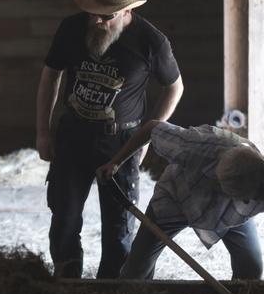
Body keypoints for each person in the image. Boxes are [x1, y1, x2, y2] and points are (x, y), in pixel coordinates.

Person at [36, 0, 184, 278]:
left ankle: (109, 293)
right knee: (64, 217)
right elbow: (51, 74)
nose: (97, 20)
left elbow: (175, 87)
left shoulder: (151, 41)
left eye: (107, 16)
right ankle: (67, 280)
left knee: (118, 227)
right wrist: (43, 132)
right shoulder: (72, 28)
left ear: (127, 9)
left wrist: (147, 135)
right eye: (93, 13)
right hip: (73, 133)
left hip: (120, 140)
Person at [96, 120, 264, 280]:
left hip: (232, 215)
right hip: (176, 200)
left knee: (251, 268)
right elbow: (152, 127)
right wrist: (115, 162)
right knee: (136, 270)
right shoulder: (195, 146)